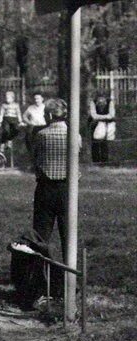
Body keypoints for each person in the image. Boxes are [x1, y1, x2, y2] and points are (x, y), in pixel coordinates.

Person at [31, 98, 81, 261]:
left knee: (41, 233)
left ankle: (39, 271)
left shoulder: (41, 135)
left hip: (46, 188)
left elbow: (35, 158)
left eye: (46, 114)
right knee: (68, 233)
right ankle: (69, 270)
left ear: (51, 115)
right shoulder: (75, 135)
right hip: (68, 188)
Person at [89, 91, 116, 163]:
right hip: (95, 124)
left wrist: (99, 117)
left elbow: (112, 115)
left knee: (105, 142)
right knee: (95, 142)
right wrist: (105, 117)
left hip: (107, 124)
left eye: (102, 98)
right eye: (99, 98)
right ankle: (96, 160)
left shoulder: (110, 102)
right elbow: (93, 115)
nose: (101, 100)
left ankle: (104, 160)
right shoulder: (93, 103)